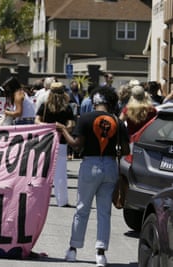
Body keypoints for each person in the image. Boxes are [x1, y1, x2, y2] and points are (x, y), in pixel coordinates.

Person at [56, 86, 129, 267]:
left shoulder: (86, 118)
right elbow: (126, 150)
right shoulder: (117, 122)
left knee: (82, 208)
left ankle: (73, 250)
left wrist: (63, 130)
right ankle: (101, 254)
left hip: (90, 165)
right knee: (104, 212)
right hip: (110, 166)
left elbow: (76, 144)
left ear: (95, 102)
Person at [35, 82, 75, 207]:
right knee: (60, 173)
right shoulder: (67, 107)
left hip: (46, 141)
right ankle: (62, 200)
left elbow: (36, 121)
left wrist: (48, 127)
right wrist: (60, 127)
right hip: (61, 142)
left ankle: (38, 199)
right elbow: (71, 126)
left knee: (42, 172)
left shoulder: (45, 105)